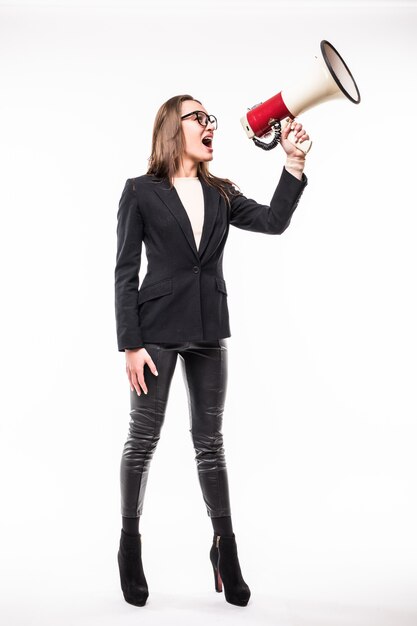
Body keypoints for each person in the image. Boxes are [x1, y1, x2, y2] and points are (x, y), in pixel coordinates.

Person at [115, 94, 309, 607]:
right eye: (198, 118)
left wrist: (292, 163)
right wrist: (130, 344)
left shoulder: (220, 192)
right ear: (171, 130)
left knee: (211, 443)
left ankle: (226, 549)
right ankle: (129, 546)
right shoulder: (140, 192)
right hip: (154, 332)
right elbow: (125, 273)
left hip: (208, 330)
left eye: (210, 119)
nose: (209, 125)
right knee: (142, 439)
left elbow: (273, 221)